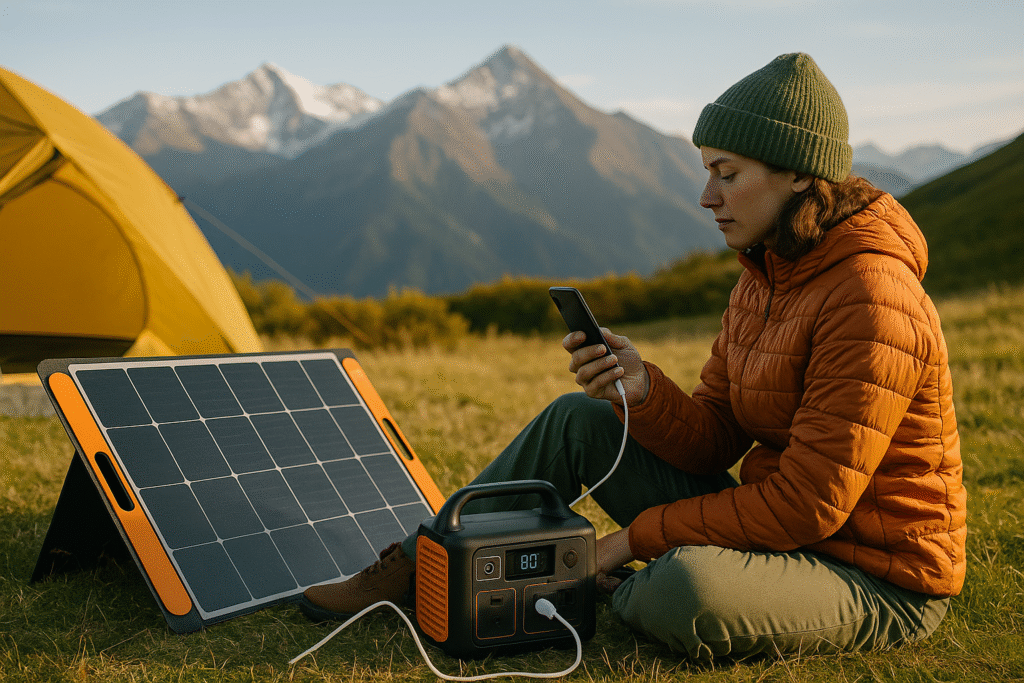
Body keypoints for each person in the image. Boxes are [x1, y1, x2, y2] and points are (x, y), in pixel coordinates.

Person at [302, 53, 966, 660]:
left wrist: (627, 540)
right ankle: (425, 565)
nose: (707, 197)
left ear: (797, 173)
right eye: (708, 172)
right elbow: (713, 439)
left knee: (682, 590)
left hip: (875, 576)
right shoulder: (766, 274)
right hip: (782, 538)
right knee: (578, 420)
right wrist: (642, 389)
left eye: (726, 174)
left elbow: (806, 506)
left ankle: (579, 584)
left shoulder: (872, 298)